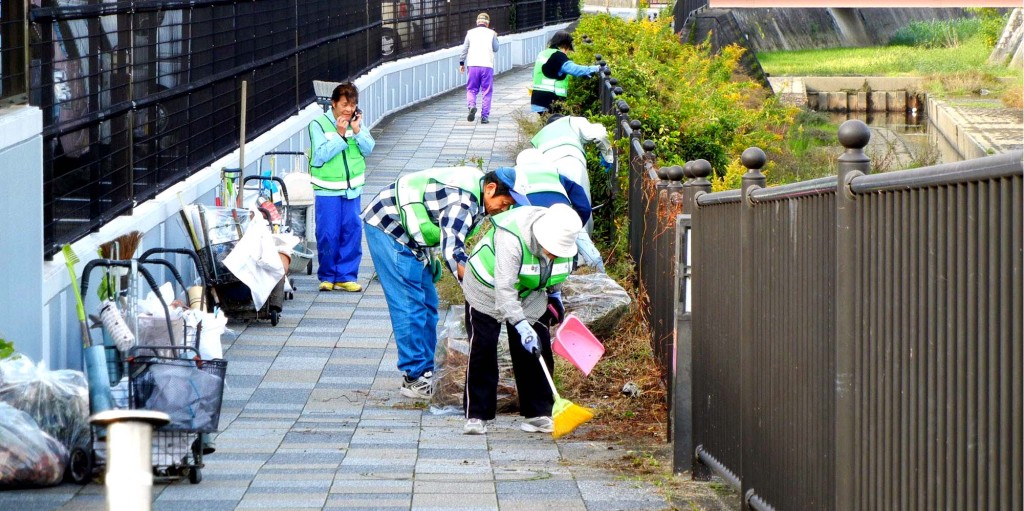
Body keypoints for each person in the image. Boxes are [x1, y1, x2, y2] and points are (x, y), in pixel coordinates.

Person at [361, 166, 527, 399]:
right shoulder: (464, 203)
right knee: (410, 305)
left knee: (429, 304)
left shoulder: (480, 197)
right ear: (490, 189)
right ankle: (414, 377)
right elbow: (453, 252)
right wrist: (476, 292)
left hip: (411, 236)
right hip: (388, 226)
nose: (505, 209)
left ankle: (426, 369)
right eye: (505, 203)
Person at [460, 204, 583, 435]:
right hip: (486, 288)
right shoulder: (512, 238)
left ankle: (538, 413)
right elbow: (504, 289)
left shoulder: (566, 239)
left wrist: (554, 294)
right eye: (552, 250)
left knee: (537, 348)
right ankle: (477, 415)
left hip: (529, 293)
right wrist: (520, 324)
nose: (553, 255)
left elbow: (555, 272)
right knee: (483, 346)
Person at [309, 82, 375, 293]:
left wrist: (356, 130)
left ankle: (346, 276)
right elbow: (320, 156)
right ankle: (327, 276)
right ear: (334, 103)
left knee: (352, 232)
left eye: (352, 105)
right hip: (327, 189)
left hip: (352, 188)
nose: (349, 109)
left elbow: (369, 148)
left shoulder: (356, 123)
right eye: (345, 104)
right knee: (327, 234)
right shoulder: (318, 124)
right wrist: (339, 134)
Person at [495, 163, 604, 271]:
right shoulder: (555, 176)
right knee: (592, 258)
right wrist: (572, 229)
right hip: (562, 216)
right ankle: (598, 275)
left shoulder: (513, 181)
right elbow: (584, 208)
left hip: (526, 221)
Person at [528, 114, 614, 210]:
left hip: (547, 170)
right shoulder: (573, 121)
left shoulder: (539, 136)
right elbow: (600, 134)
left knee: (555, 209)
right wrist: (609, 158)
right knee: (582, 206)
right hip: (571, 163)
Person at [530, 30, 600, 115]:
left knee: (547, 122)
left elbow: (534, 73)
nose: (568, 53)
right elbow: (575, 69)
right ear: (565, 45)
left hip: (537, 98)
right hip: (551, 99)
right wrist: (596, 68)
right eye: (569, 49)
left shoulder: (543, 53)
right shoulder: (558, 56)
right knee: (556, 122)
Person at [459, 13, 499, 124]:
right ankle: (484, 117)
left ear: (477, 22)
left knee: (471, 89)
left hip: (473, 66)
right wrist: (496, 37)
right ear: (488, 23)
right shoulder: (491, 33)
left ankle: (472, 106)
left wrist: (461, 63)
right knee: (486, 91)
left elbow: (464, 49)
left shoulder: (470, 33)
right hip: (487, 66)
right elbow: (496, 48)